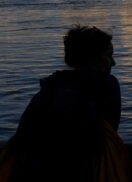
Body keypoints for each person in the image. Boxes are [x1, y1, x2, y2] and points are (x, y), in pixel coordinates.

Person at [8, 26, 124, 182]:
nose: (113, 63)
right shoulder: (107, 84)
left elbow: (23, 134)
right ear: (97, 59)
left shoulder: (51, 86)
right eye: (109, 55)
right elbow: (109, 136)